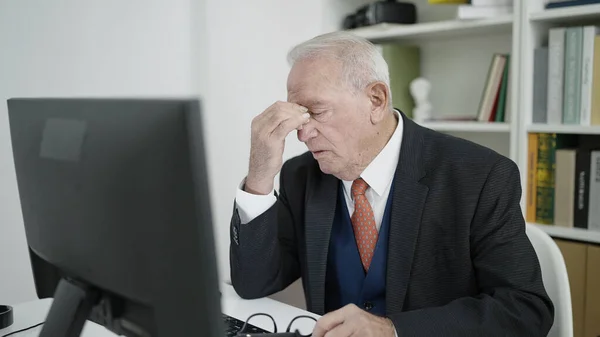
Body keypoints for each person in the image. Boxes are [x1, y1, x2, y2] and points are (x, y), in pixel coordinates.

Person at [229, 31, 554, 337]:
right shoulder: (301, 175)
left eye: (317, 111)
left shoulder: (481, 175)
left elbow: (524, 309)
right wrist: (259, 175)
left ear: (376, 100)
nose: (302, 133)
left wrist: (393, 330)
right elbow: (254, 284)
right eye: (300, 116)